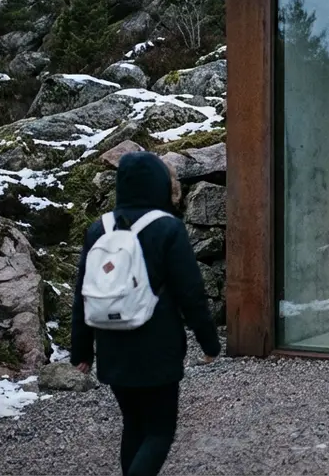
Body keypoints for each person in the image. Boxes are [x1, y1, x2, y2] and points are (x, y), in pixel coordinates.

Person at [70, 151, 222, 476]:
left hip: (111, 348)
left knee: (134, 425)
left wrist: (81, 351)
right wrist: (209, 343)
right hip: (157, 350)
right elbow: (191, 293)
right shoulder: (167, 228)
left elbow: (82, 293)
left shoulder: (99, 229)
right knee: (159, 431)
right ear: (158, 185)